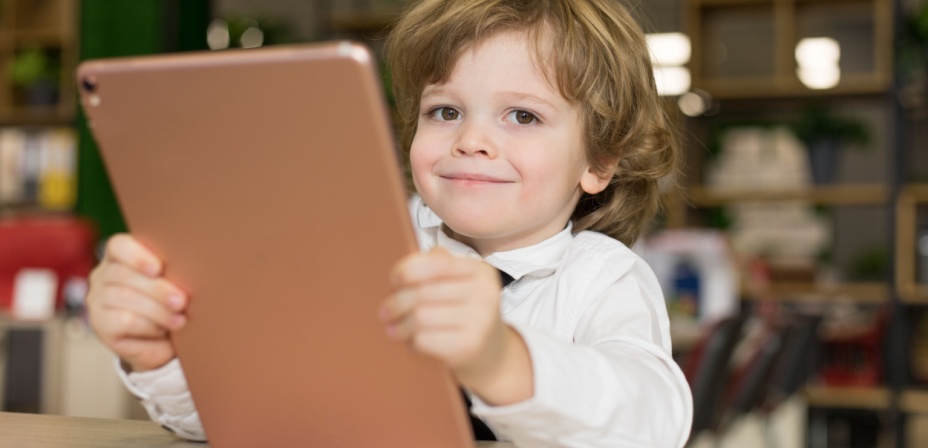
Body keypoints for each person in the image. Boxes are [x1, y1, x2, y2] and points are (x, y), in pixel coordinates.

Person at [85, 0, 693, 446]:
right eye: (445, 110)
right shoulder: (367, 246)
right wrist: (160, 356)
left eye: (524, 116)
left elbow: (652, 423)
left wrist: (502, 360)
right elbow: (261, 416)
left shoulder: (602, 279)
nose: (472, 139)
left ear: (600, 161)